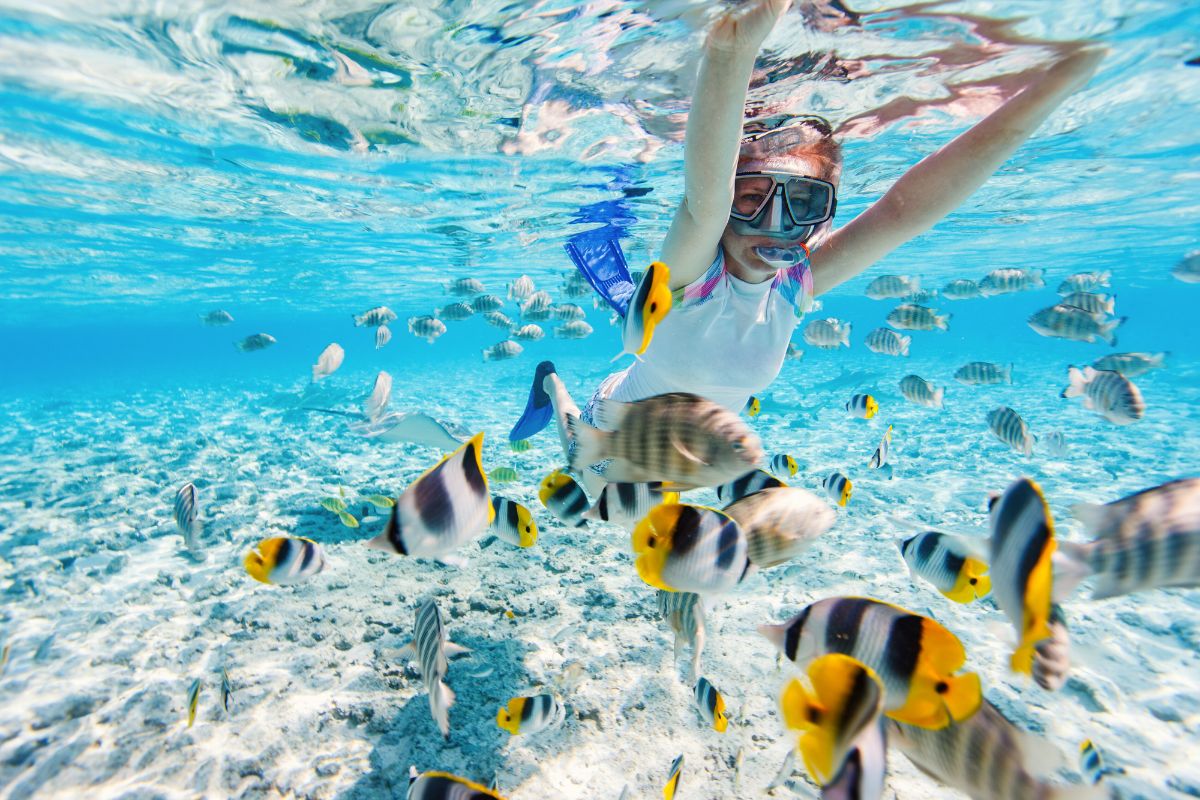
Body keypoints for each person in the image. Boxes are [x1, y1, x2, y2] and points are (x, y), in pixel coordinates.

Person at [512, 0, 1104, 493]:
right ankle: (550, 383)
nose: (775, 223)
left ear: (825, 214)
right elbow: (703, 203)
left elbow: (904, 211)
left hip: (691, 465)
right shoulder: (696, 276)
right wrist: (728, 53)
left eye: (804, 204)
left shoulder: (796, 286)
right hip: (609, 436)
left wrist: (1046, 92)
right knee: (573, 458)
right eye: (751, 198)